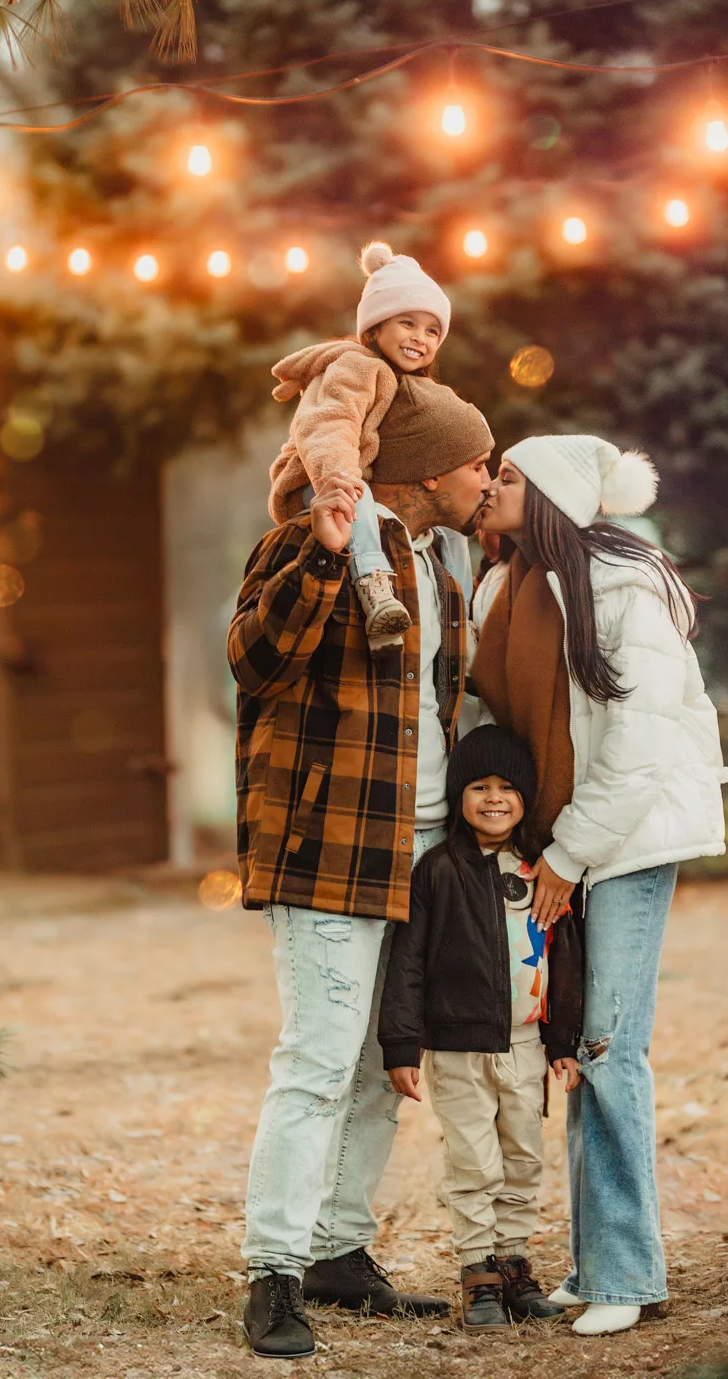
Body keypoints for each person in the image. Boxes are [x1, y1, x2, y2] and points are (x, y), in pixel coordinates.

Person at [228, 376, 494, 1360]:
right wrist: (329, 558)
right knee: (316, 1063)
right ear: (427, 469)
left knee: (388, 1063)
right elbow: (251, 657)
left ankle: (339, 1250)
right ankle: (274, 1273)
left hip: (422, 854)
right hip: (331, 850)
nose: (487, 476)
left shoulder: (439, 565)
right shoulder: (314, 540)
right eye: (477, 461)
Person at [473, 434, 728, 1337]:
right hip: (562, 844)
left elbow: (641, 745)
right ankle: (599, 1261)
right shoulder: (506, 587)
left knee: (612, 1043)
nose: (491, 485)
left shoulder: (623, 587)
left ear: (548, 496)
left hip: (624, 837)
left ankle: (626, 1272)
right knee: (577, 1046)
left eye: (508, 477)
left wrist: (568, 854)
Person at [379, 725, 583, 1331]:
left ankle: (516, 1268)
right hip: (457, 1048)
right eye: (478, 786)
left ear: (525, 795)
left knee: (522, 1159)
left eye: (506, 787)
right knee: (474, 1163)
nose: (493, 798)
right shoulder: (438, 870)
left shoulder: (543, 868)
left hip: (524, 1046)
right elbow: (409, 958)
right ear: (458, 795)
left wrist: (563, 1043)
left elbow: (565, 960)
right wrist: (401, 1042)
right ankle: (479, 1276)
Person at [269, 240, 472, 652]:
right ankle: (374, 586)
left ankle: (463, 625)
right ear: (375, 328)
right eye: (407, 323)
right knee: (356, 494)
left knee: (451, 529)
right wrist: (341, 477)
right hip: (319, 478)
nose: (420, 338)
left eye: (432, 330)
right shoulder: (355, 366)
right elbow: (329, 425)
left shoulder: (411, 385)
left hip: (358, 483)